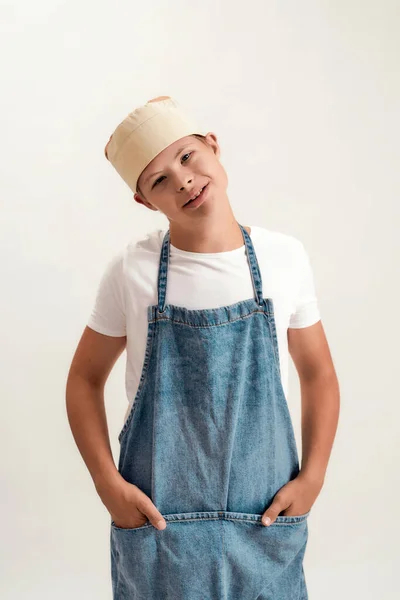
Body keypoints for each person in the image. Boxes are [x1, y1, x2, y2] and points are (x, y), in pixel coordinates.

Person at [66, 96, 340, 599]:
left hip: (264, 520)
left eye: (187, 157)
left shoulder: (285, 257)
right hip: (159, 527)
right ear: (144, 201)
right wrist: (108, 485)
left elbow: (318, 372)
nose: (183, 181)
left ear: (212, 144)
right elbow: (84, 380)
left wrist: (314, 477)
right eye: (159, 181)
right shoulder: (132, 271)